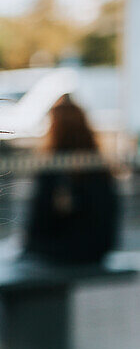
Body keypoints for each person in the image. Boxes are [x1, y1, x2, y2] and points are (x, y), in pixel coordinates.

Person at [21, 93, 119, 264]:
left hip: (60, 249)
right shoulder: (97, 164)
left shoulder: (54, 167)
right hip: (98, 249)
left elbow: (38, 223)